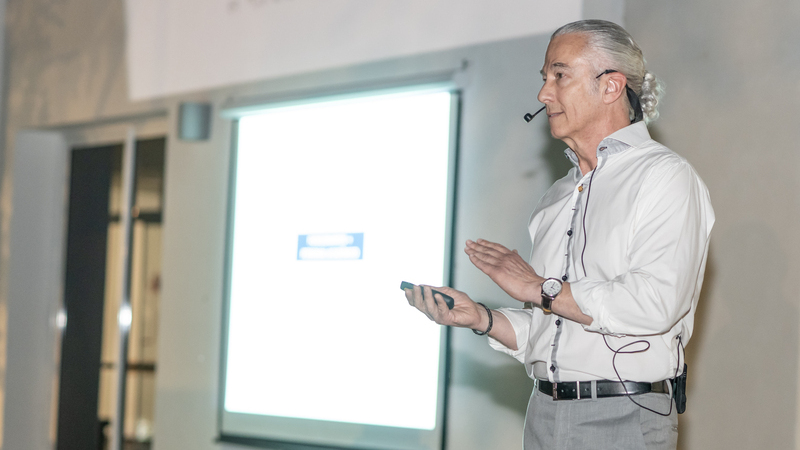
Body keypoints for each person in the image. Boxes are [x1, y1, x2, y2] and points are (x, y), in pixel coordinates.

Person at [404, 19, 714, 450]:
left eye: (559, 75)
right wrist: (482, 318)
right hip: (544, 413)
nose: (543, 93)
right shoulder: (558, 197)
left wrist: (540, 287)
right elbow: (549, 330)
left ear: (610, 86)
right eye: (544, 78)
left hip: (623, 415)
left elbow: (655, 303)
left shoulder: (663, 177)